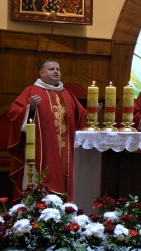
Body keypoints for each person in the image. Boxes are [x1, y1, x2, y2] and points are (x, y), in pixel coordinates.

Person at [7, 60, 87, 199]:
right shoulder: (31, 91)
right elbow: (14, 115)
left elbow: (81, 116)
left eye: (58, 69)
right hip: (42, 146)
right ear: (41, 73)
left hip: (67, 148)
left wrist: (94, 111)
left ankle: (66, 205)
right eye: (51, 69)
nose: (56, 71)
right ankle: (40, 204)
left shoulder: (67, 93)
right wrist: (30, 108)